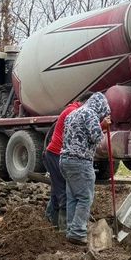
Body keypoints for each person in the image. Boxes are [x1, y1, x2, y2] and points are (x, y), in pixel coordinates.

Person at [59, 91, 111, 245]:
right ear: (100, 106)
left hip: (65, 160)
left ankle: (71, 229)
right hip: (80, 161)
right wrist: (104, 127)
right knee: (85, 198)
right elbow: (96, 137)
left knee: (73, 197)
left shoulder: (73, 114)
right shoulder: (90, 114)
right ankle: (77, 232)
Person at [44, 98, 82, 230]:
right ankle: (63, 227)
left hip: (54, 154)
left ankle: (50, 219)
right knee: (63, 191)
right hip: (56, 154)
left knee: (56, 189)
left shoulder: (72, 110)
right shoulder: (73, 112)